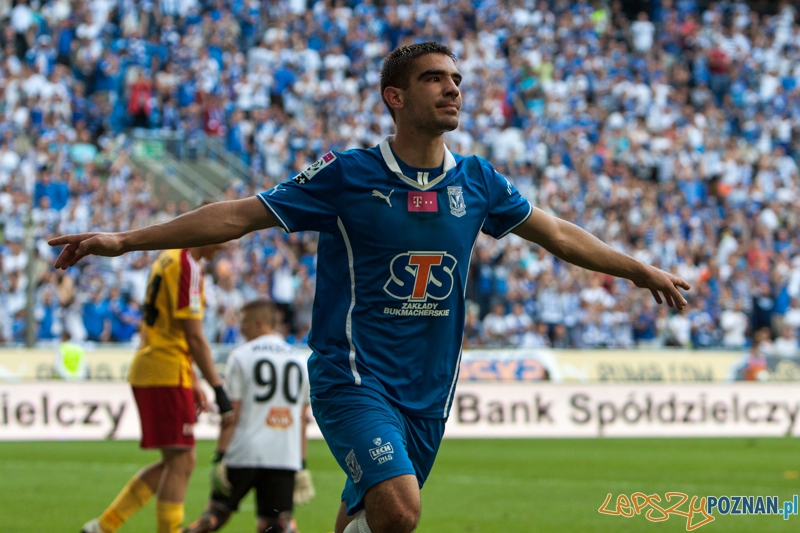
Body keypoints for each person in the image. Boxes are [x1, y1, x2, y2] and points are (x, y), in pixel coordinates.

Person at [52, 43, 689, 533]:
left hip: (430, 385)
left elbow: (558, 234)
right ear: (395, 96)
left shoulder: (480, 182)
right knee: (400, 510)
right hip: (353, 376)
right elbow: (238, 215)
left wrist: (638, 269)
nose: (452, 89)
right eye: (435, 79)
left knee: (373, 516)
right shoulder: (348, 174)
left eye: (457, 80)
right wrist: (123, 240)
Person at [80, 246, 234, 533]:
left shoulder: (168, 256)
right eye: (223, 239)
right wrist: (218, 388)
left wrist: (193, 379)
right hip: (166, 369)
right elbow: (194, 335)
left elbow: (168, 325)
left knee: (173, 463)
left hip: (154, 364)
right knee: (183, 460)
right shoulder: (189, 264)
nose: (225, 247)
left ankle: (102, 527)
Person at [183, 299, 313, 533]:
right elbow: (302, 420)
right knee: (275, 525)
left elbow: (231, 413)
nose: (240, 327)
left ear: (258, 323)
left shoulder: (241, 356)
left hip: (244, 452)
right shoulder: (300, 360)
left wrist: (220, 456)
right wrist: (301, 463)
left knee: (214, 516)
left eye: (243, 321)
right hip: (284, 455)